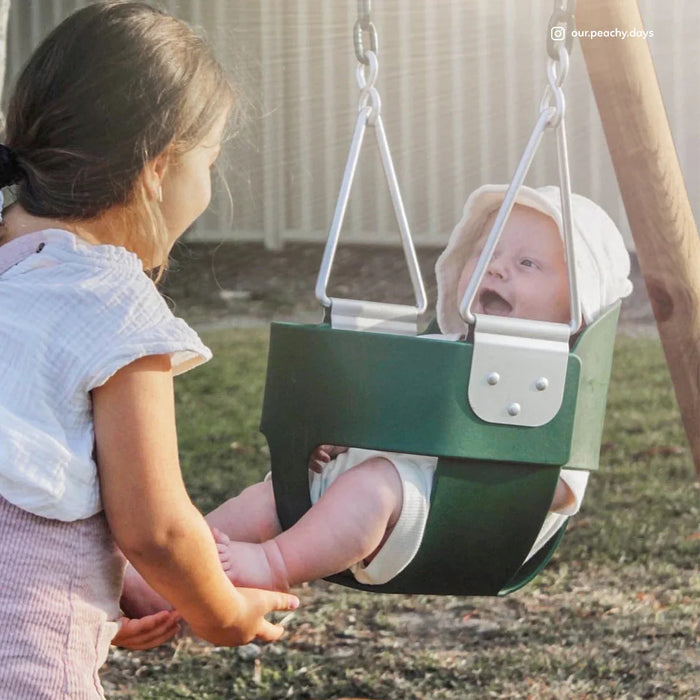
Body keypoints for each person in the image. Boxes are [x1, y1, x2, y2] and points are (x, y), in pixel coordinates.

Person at [121, 183, 632, 610]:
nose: (497, 269)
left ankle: (274, 564)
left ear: (579, 308)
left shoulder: (557, 389)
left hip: (451, 524)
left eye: (527, 263)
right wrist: (338, 439)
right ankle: (158, 579)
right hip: (363, 501)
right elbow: (379, 412)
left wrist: (492, 469)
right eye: (488, 252)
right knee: (275, 495)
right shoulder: (441, 350)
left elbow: (564, 489)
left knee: (376, 487)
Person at [0, 2, 298, 696]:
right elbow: (157, 530)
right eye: (210, 161)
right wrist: (223, 614)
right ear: (158, 169)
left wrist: (95, 608)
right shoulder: (111, 302)